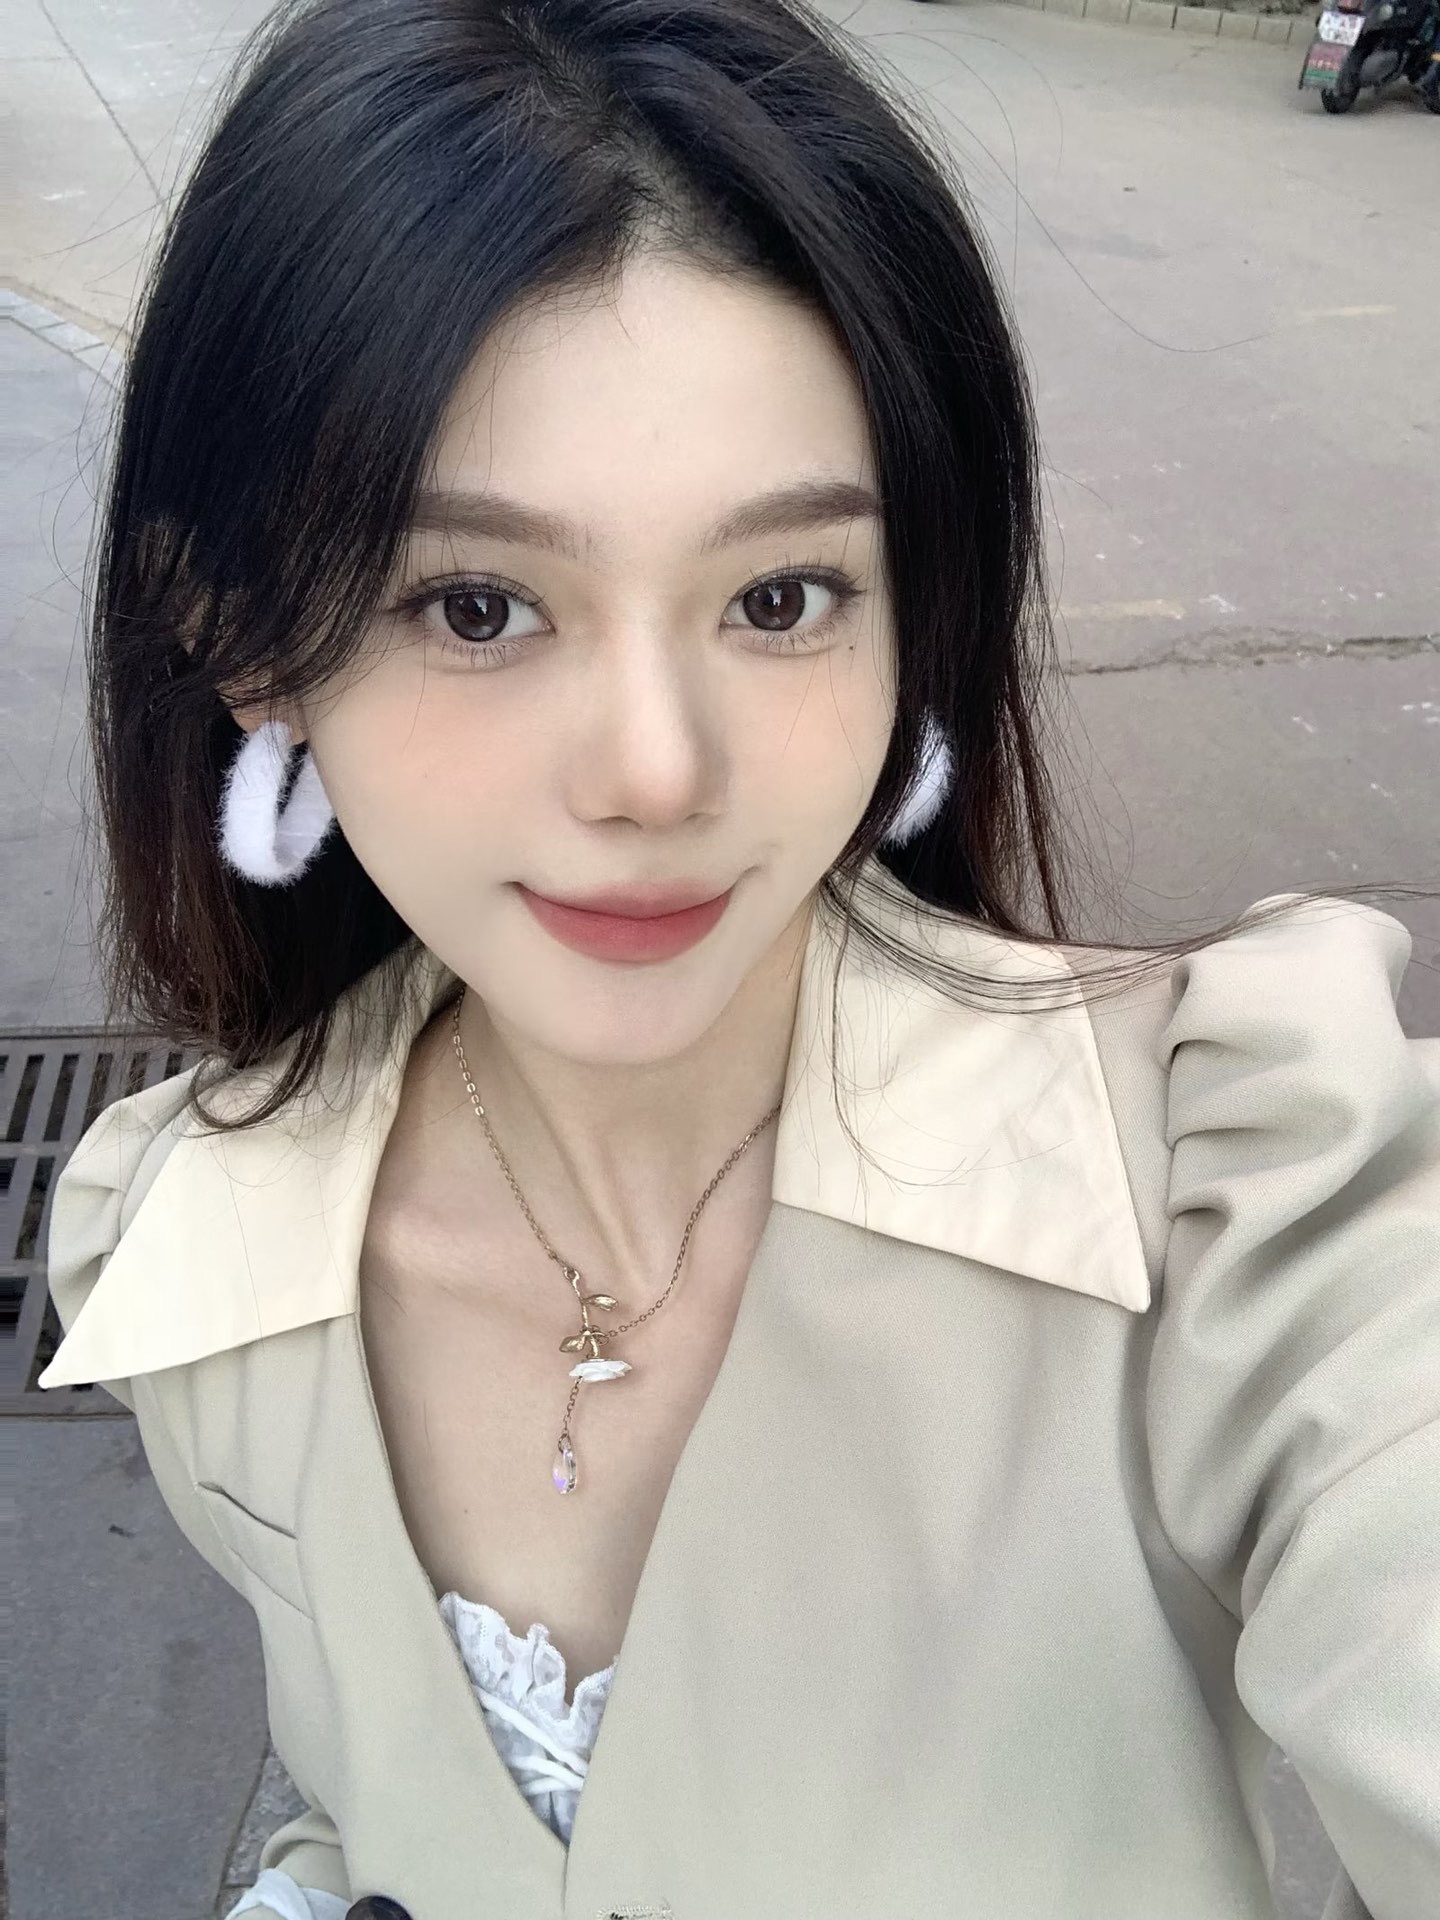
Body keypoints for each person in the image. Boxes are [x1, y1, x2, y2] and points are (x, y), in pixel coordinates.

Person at [39, 2, 1439, 1916]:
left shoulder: (1230, 1195)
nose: (658, 771)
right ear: (246, 638)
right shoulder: (198, 1259)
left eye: (780, 597)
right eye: (478, 605)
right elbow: (370, 1819)